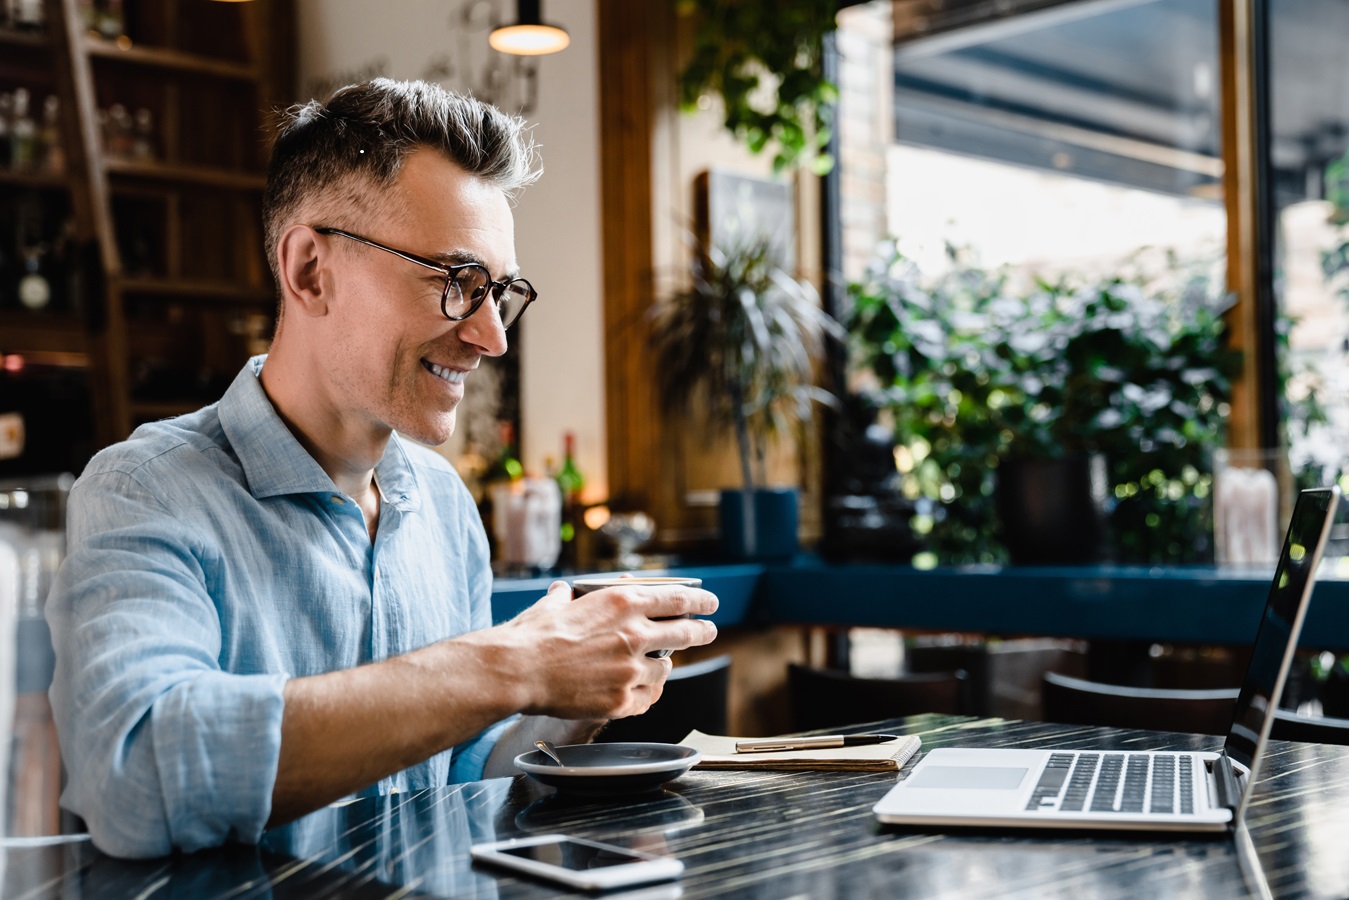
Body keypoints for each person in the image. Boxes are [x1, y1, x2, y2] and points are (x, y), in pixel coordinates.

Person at [45, 79, 719, 859]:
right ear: (309, 272)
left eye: (498, 292)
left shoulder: (442, 502)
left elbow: (461, 775)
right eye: (455, 282)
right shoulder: (144, 489)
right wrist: (512, 665)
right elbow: (137, 778)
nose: (491, 336)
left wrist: (567, 696)